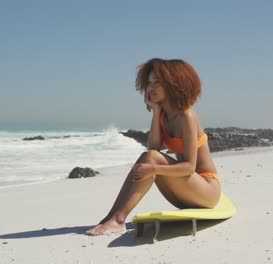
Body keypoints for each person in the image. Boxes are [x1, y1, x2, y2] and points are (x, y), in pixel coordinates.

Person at [86, 58, 221, 236]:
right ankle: (111, 217)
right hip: (186, 191)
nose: (150, 88)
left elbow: (189, 167)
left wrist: (153, 169)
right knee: (149, 156)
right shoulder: (164, 115)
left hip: (206, 189)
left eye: (157, 82)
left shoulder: (187, 116)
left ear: (175, 85)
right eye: (149, 82)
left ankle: (119, 220)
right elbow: (153, 148)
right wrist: (156, 112)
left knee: (150, 160)